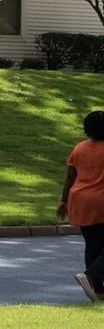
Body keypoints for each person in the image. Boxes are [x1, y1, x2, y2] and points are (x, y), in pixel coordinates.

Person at [59, 110, 104, 301]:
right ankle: (90, 276)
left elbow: (70, 176)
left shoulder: (79, 148)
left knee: (93, 245)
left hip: (79, 200)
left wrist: (63, 201)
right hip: (100, 201)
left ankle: (98, 290)